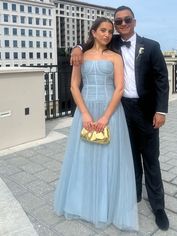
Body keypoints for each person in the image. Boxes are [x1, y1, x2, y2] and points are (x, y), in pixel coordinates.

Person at [71, 6, 170, 231]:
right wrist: (76, 47)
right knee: (129, 157)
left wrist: (161, 111)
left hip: (146, 111)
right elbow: (89, 43)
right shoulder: (112, 41)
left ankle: (159, 208)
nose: (123, 24)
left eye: (127, 20)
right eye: (119, 22)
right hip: (121, 109)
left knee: (151, 159)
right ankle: (131, 197)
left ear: (134, 22)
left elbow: (162, 80)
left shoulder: (152, 46)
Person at [54, 17, 139, 231]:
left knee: (108, 158)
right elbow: (74, 86)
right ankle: (83, 203)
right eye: (103, 30)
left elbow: (119, 88)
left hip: (110, 111)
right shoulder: (81, 55)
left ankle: (105, 205)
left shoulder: (115, 57)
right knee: (84, 156)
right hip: (86, 111)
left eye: (110, 31)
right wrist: (84, 113)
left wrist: (104, 117)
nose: (107, 34)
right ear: (93, 32)